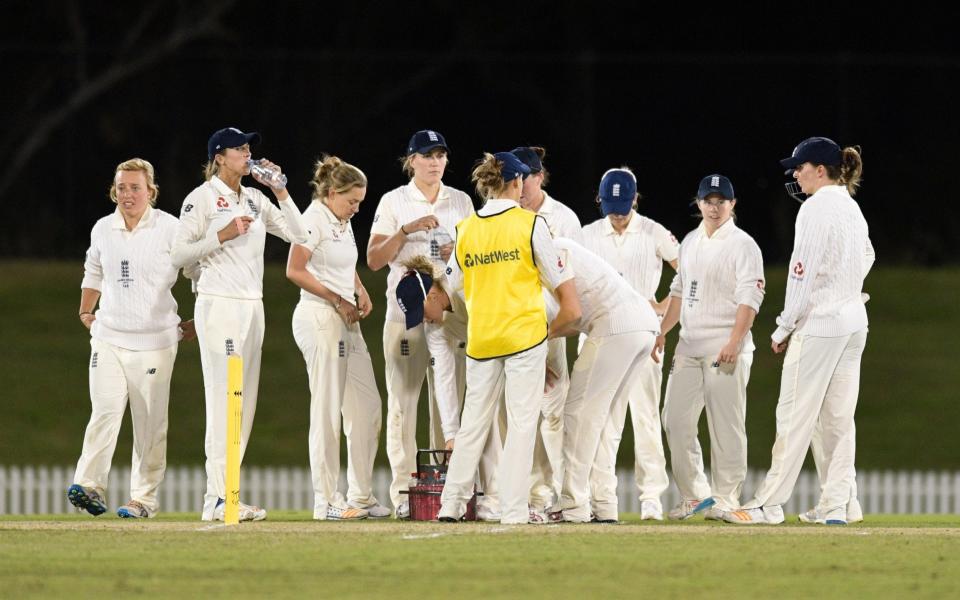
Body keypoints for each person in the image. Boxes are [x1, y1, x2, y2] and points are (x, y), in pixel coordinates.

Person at [725, 137, 872, 526]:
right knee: (838, 418)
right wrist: (846, 286)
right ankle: (839, 504)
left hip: (821, 323)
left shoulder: (814, 208)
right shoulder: (852, 208)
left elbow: (800, 273)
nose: (794, 173)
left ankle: (769, 503)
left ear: (819, 170)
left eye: (799, 167)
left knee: (794, 413)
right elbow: (868, 255)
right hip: (855, 320)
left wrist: (784, 326)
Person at [171, 127, 308, 522]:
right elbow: (178, 256)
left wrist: (281, 191)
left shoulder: (254, 197)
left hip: (253, 306)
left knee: (243, 403)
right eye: (240, 149)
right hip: (219, 305)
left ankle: (228, 493)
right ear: (219, 156)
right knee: (222, 398)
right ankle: (216, 498)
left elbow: (300, 236)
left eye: (249, 148)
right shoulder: (200, 199)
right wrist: (222, 234)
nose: (248, 154)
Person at [437, 152, 580, 525]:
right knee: (521, 424)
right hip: (524, 339)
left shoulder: (466, 229)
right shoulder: (531, 224)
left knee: (473, 426)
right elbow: (558, 279)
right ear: (517, 183)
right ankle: (514, 510)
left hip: (483, 338)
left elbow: (450, 286)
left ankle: (450, 506)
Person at [68, 158, 196, 519]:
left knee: (150, 422)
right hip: (108, 337)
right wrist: (85, 312)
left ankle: (143, 499)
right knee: (105, 411)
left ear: (150, 191)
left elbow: (197, 269)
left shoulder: (171, 228)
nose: (127, 194)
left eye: (135, 187)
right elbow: (93, 270)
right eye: (122, 187)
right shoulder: (102, 228)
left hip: (156, 342)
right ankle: (90, 486)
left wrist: (200, 319)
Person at [366, 130, 474, 517]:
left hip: (448, 316)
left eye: (441, 155)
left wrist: (458, 248)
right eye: (427, 156)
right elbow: (375, 259)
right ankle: (403, 494)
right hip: (406, 318)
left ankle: (444, 491)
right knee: (403, 406)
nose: (435, 162)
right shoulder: (394, 201)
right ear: (411, 160)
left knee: (447, 404)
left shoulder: (460, 200)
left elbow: (474, 255)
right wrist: (406, 231)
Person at [286, 155, 389, 520]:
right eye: (352, 201)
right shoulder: (312, 219)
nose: (357, 209)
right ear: (331, 193)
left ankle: (360, 496)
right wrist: (336, 297)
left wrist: (359, 288)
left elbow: (339, 264)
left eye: (360, 202)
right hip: (318, 316)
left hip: (346, 318)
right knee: (328, 410)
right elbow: (294, 270)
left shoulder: (341, 221)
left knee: (367, 406)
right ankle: (327, 500)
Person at [658, 174, 765, 522]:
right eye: (708, 201)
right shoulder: (689, 242)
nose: (714, 207)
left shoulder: (744, 245)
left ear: (732, 205)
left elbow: (752, 296)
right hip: (689, 344)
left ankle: (726, 497)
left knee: (726, 423)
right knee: (674, 418)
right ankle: (695, 495)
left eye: (721, 201)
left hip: (725, 345)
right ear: (698, 203)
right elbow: (678, 290)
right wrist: (661, 332)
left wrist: (735, 341)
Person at [580, 167, 678, 521]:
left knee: (646, 416)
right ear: (599, 200)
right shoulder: (586, 235)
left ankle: (651, 496)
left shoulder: (653, 232)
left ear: (636, 198)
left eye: (624, 205)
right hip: (601, 335)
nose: (618, 213)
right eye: (611, 205)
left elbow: (687, 269)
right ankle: (598, 496)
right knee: (600, 419)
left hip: (643, 335)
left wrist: (664, 308)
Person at [549, 236, 662, 523]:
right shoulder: (561, 244)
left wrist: (538, 340)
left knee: (579, 415)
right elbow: (575, 320)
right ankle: (604, 504)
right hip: (644, 325)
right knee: (607, 422)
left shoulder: (549, 250)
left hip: (615, 326)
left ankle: (573, 506)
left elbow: (572, 314)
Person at [395, 256, 505, 521]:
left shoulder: (466, 287)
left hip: (513, 332)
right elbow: (443, 378)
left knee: (505, 417)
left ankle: (524, 497)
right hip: (485, 346)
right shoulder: (434, 327)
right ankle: (494, 498)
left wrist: (534, 354)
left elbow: (501, 317)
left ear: (433, 294)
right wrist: (451, 435)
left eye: (421, 313)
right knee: (478, 417)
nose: (424, 321)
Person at [512, 145, 582, 511]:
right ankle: (528, 492)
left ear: (540, 177)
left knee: (554, 409)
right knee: (517, 410)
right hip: (512, 324)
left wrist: (554, 327)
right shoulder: (502, 214)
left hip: (551, 323)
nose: (521, 184)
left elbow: (573, 276)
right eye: (516, 177)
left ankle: (561, 493)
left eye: (527, 177)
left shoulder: (563, 218)